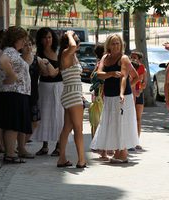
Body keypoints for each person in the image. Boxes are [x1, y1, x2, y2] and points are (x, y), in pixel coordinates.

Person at [90, 33, 139, 163]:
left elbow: (124, 77)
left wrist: (123, 93)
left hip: (121, 97)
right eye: (113, 43)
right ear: (108, 45)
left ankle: (122, 153)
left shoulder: (124, 58)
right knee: (112, 122)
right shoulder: (105, 57)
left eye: (118, 43)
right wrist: (111, 74)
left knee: (121, 122)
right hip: (109, 96)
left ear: (121, 45)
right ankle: (118, 152)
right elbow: (98, 74)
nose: (116, 46)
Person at [0, 26, 31, 163]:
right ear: (15, 39)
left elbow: (24, 65)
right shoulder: (9, 51)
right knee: (12, 125)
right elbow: (3, 61)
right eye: (22, 39)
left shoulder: (14, 52)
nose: (24, 42)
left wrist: (26, 54)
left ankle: (10, 153)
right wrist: (13, 76)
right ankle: (10, 154)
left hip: (15, 93)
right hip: (12, 93)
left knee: (13, 125)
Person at [21, 36, 59, 149]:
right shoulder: (17, 59)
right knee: (21, 121)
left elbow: (48, 73)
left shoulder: (37, 59)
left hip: (33, 93)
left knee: (35, 121)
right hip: (19, 93)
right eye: (25, 45)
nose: (28, 47)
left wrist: (49, 66)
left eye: (29, 45)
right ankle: (20, 147)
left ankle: (21, 145)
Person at [57, 30, 86, 168]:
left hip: (72, 92)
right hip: (72, 94)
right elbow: (73, 46)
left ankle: (61, 159)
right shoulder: (66, 53)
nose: (76, 42)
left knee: (67, 128)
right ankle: (81, 160)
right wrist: (69, 34)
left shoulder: (72, 55)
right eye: (75, 39)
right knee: (78, 129)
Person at [32, 27, 63, 156]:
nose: (47, 40)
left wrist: (54, 70)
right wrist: (55, 70)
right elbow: (47, 73)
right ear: (40, 39)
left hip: (60, 86)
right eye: (44, 38)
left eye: (49, 37)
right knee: (44, 115)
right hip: (44, 87)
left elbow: (59, 70)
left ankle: (59, 145)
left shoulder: (59, 51)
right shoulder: (38, 54)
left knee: (59, 115)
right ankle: (44, 146)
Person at [130, 51, 147, 150]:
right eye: (131, 57)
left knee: (138, 118)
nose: (132, 58)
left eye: (135, 57)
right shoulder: (129, 67)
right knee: (130, 117)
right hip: (130, 93)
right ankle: (130, 141)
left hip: (139, 94)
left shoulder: (142, 68)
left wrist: (140, 90)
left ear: (139, 59)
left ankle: (136, 141)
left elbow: (144, 83)